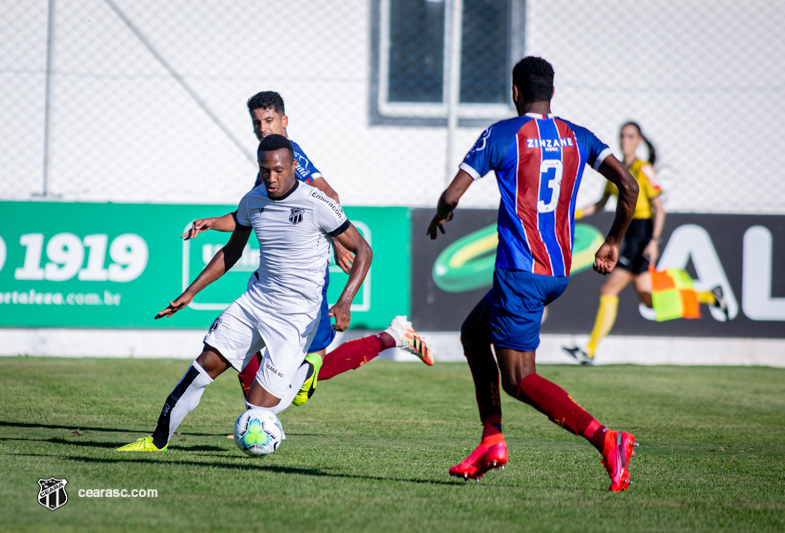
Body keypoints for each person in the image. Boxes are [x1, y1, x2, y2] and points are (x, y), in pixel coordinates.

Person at [427, 56, 641, 491]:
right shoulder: (578, 137)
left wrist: (441, 213)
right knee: (473, 333)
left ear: (515, 92)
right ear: (553, 94)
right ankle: (491, 440)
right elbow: (630, 186)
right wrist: (613, 240)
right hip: (558, 271)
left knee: (520, 380)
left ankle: (606, 439)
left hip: (519, 272)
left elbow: (452, 194)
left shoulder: (502, 134)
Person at [118, 134, 372, 452]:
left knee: (258, 407)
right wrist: (190, 292)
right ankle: (157, 441)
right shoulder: (253, 200)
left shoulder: (317, 204)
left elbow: (363, 249)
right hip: (256, 303)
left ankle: (306, 368)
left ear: (294, 165)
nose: (272, 178)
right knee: (204, 364)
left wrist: (345, 302)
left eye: (279, 170)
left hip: (296, 318)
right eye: (265, 170)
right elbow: (232, 251)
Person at [184, 92, 433, 407]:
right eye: (257, 123)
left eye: (269, 120)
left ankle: (392, 337)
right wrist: (213, 222)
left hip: (303, 282)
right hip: (277, 282)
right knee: (259, 357)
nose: (263, 128)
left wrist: (337, 241)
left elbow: (327, 194)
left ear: (284, 121)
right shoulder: (271, 160)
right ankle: (257, 417)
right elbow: (249, 215)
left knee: (302, 363)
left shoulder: (292, 156)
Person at [562, 122, 728, 365]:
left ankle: (589, 350)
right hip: (627, 234)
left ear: (639, 141)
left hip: (640, 236)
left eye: (630, 136)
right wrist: (573, 214)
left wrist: (653, 241)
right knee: (649, 298)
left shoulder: (644, 169)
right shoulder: (616, 169)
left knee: (608, 290)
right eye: (622, 136)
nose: (625, 140)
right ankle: (710, 296)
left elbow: (659, 210)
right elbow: (600, 203)